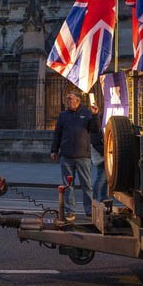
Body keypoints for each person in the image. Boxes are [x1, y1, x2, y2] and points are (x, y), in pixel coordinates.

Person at [51, 92, 95, 220]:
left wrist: (96, 115)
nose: (67, 101)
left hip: (83, 156)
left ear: (77, 100)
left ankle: (89, 211)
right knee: (68, 186)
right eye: (67, 99)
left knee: (86, 185)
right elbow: (57, 134)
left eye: (70, 99)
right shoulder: (63, 115)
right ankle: (70, 211)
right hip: (66, 157)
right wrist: (54, 150)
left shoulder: (87, 113)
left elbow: (95, 129)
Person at [88, 102, 107, 202]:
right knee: (101, 179)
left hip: (102, 155)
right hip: (101, 156)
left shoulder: (98, 121)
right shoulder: (97, 122)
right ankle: (95, 199)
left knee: (104, 179)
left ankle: (103, 198)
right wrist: (105, 152)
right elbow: (95, 142)